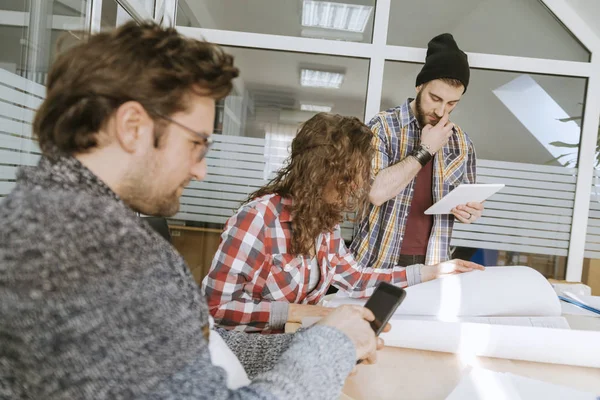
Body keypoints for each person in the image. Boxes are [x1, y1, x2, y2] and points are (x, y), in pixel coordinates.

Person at [0, 21, 389, 400]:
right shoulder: (87, 253)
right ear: (132, 126)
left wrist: (323, 341)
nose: (201, 170)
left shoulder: (59, 222)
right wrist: (328, 345)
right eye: (196, 144)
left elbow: (200, 359)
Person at [203, 113, 484, 333]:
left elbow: (355, 278)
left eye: (359, 174)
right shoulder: (258, 219)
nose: (356, 185)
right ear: (317, 172)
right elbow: (215, 307)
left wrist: (431, 272)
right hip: (247, 347)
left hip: (296, 339)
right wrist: (295, 312)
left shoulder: (325, 222)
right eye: (348, 174)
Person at [351, 33, 485, 270]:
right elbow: (376, 193)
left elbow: (465, 204)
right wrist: (426, 150)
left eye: (452, 103)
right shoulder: (382, 127)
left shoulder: (462, 143)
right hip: (375, 264)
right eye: (435, 98)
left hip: (433, 266)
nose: (442, 110)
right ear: (420, 85)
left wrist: (469, 213)